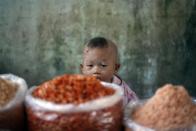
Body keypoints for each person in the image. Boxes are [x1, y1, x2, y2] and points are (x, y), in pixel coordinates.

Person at [80, 36, 138, 105]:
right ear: (82, 68)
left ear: (115, 68)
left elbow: (134, 105)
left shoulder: (121, 89)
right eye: (90, 65)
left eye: (103, 65)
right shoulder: (80, 88)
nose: (96, 70)